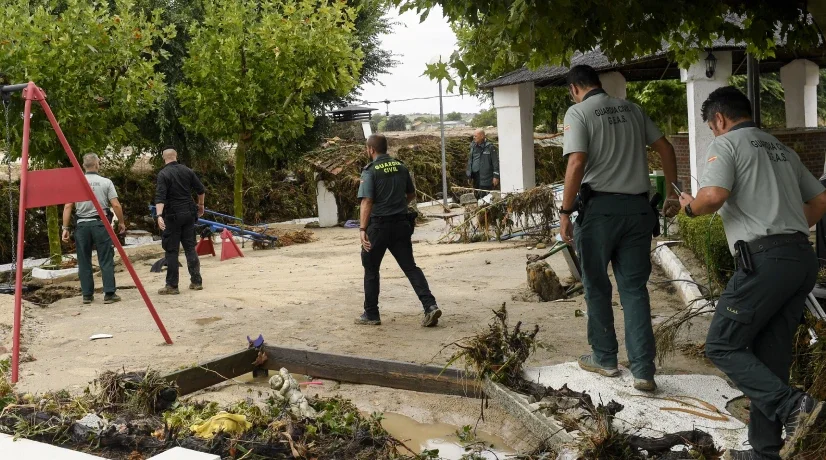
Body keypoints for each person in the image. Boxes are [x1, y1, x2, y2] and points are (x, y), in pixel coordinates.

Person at [678, 87, 826, 460]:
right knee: (770, 355)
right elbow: (821, 200)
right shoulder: (781, 149)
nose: (714, 133)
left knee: (722, 344)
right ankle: (766, 452)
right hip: (799, 257)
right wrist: (787, 229)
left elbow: (712, 197)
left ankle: (794, 405)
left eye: (712, 127)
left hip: (764, 262)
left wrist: (689, 209)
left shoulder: (727, 145)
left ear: (720, 120)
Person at [559, 65, 681, 392]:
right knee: (634, 290)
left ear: (574, 88)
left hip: (599, 213)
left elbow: (576, 161)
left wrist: (565, 211)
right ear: (598, 84)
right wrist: (672, 192)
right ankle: (643, 371)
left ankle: (606, 359)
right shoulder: (633, 109)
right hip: (639, 210)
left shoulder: (578, 112)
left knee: (597, 286)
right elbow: (666, 149)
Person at [356, 134, 441, 327]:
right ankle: (430, 306)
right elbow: (411, 194)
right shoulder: (401, 167)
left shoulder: (370, 171)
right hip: (401, 225)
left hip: (378, 227)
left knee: (371, 269)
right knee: (410, 267)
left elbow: (367, 201)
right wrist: (397, 205)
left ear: (371, 150)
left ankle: (371, 314)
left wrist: (362, 228)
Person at [61, 153, 126, 305]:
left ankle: (87, 295)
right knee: (105, 258)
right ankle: (109, 293)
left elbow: (68, 205)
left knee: (84, 260)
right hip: (100, 224)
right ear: (97, 165)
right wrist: (121, 222)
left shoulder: (76, 182)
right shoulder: (106, 182)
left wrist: (65, 228)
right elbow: (115, 205)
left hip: (82, 226)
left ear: (84, 166)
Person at [154, 148, 206, 294]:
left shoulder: (163, 174)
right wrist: (200, 206)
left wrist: (159, 216)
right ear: (176, 156)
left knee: (172, 250)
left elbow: (160, 197)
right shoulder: (187, 171)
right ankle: (196, 281)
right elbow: (201, 190)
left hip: (172, 216)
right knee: (190, 248)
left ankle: (172, 286)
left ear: (163, 158)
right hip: (189, 214)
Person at [466, 129, 499, 197]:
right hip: (475, 176)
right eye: (473, 136)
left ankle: (484, 207)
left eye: (476, 136)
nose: (474, 137)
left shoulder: (490, 147)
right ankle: (479, 206)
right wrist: (469, 174)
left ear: (482, 136)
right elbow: (470, 161)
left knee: (485, 195)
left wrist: (496, 176)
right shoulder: (473, 146)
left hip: (486, 177)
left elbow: (495, 162)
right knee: (476, 194)